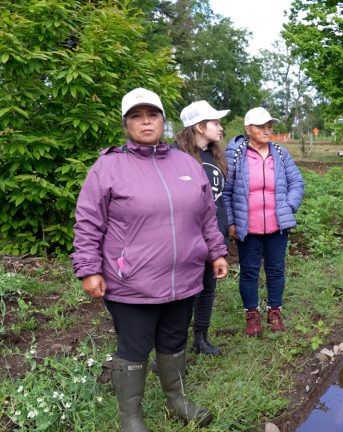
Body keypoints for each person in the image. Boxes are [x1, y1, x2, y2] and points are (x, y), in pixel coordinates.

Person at [71, 88, 228, 431]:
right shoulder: (108, 167)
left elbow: (206, 216)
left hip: (184, 277)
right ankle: (131, 417)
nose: (146, 122)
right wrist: (88, 268)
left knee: (174, 340)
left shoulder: (186, 163)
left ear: (163, 120)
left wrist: (216, 251)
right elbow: (88, 222)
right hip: (131, 282)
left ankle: (177, 401)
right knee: (134, 347)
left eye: (152, 115)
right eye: (136, 116)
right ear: (126, 124)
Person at [223, 107, 304, 337]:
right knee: (249, 272)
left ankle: (274, 311)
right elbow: (226, 192)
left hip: (277, 226)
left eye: (269, 126)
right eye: (261, 126)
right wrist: (231, 221)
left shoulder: (279, 153)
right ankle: (252, 315)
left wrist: (288, 206)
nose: (267, 130)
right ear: (248, 129)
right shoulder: (236, 155)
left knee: (276, 270)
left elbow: (297, 182)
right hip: (248, 227)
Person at [175, 100, 231, 356]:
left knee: (208, 287)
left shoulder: (215, 154)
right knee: (184, 293)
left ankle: (201, 338)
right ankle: (174, 346)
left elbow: (219, 197)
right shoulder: (174, 156)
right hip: (186, 238)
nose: (220, 128)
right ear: (199, 126)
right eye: (216, 123)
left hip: (214, 233)